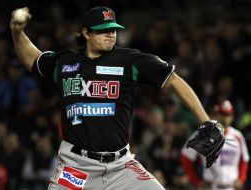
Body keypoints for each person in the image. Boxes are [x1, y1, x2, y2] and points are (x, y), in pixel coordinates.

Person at [11, 6, 214, 190]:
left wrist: (206, 120)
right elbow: (33, 59)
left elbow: (174, 80)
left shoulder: (130, 60)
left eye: (113, 29)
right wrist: (17, 32)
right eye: (103, 29)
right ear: (86, 32)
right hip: (76, 168)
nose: (111, 34)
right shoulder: (65, 62)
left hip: (121, 167)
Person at [180, 100, 250, 190]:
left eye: (228, 115)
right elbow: (185, 157)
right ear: (216, 114)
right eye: (222, 114)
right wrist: (196, 181)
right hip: (210, 186)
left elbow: (244, 160)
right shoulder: (204, 133)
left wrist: (241, 179)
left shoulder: (238, 136)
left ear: (232, 116)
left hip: (231, 187)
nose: (225, 118)